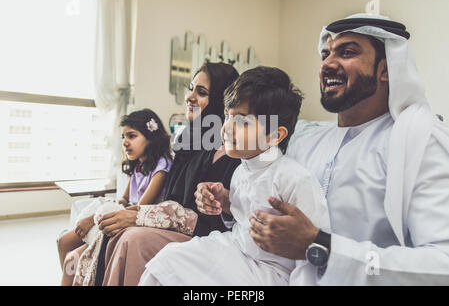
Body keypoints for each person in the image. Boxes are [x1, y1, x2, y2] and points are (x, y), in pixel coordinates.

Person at [244, 13, 449, 285]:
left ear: (386, 69)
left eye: (347, 52)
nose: (327, 64)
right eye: (325, 54)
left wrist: (322, 247)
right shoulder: (306, 138)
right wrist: (228, 205)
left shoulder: (420, 140)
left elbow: (441, 264)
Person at [138, 66, 331, 286]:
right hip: (235, 247)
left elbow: (315, 249)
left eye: (241, 121)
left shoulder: (295, 179)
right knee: (165, 261)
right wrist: (227, 203)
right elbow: (240, 222)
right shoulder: (241, 170)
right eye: (227, 117)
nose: (227, 128)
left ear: (275, 135)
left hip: (271, 272)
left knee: (172, 266)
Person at [99, 62, 241, 286]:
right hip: (175, 224)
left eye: (201, 92)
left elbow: (214, 220)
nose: (190, 97)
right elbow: (171, 199)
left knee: (133, 239)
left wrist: (139, 216)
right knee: (115, 231)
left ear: (221, 102)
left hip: (201, 235)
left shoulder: (232, 151)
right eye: (191, 88)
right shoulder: (189, 140)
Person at [57, 108, 173, 285]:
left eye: (132, 136)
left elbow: (137, 209)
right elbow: (124, 200)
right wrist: (106, 207)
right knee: (63, 242)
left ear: (150, 138)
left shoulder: (162, 166)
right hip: (120, 218)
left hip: (133, 222)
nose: (125, 142)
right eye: (123, 137)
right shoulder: (138, 167)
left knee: (71, 260)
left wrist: (93, 219)